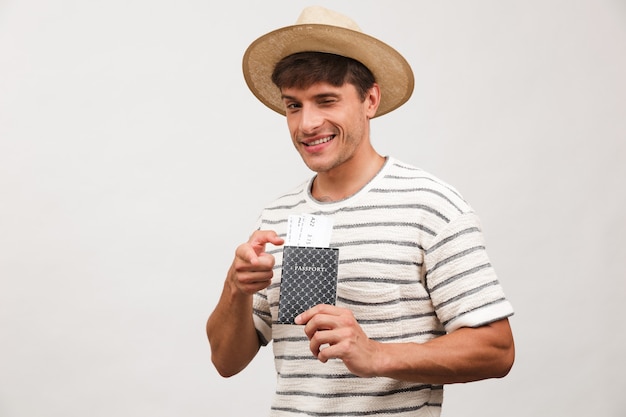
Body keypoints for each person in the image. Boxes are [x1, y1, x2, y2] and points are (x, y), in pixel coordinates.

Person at [206, 6, 515, 416]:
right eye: (293, 105)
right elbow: (226, 362)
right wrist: (236, 287)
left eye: (326, 100)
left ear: (370, 99)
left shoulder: (430, 206)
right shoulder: (276, 217)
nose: (306, 124)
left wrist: (377, 355)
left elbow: (497, 350)